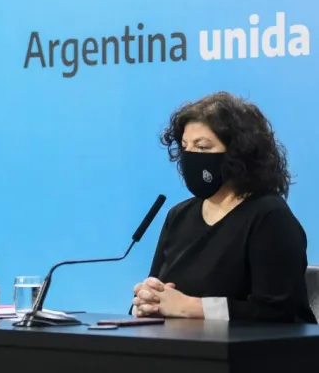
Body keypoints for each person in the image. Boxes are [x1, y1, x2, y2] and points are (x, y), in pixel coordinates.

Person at [132, 92, 315, 323]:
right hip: (184, 350)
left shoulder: (269, 216)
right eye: (186, 146)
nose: (191, 157)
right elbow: (163, 292)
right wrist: (149, 301)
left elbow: (277, 312)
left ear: (239, 154)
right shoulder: (179, 215)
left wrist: (192, 307)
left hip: (259, 355)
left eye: (203, 147)